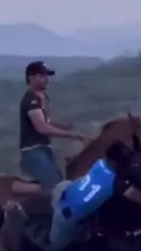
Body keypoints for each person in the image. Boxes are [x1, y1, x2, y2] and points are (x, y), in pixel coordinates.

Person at [45, 141, 141, 251]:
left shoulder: (100, 162)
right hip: (66, 214)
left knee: (70, 184)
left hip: (64, 190)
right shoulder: (116, 183)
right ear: (115, 162)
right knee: (58, 244)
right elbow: (139, 198)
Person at [19, 61, 90, 192]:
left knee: (60, 181)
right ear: (31, 78)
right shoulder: (31, 100)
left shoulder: (43, 98)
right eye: (42, 76)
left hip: (44, 149)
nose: (47, 79)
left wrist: (65, 127)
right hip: (33, 150)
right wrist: (72, 135)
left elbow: (47, 120)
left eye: (47, 75)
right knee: (54, 187)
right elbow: (41, 127)